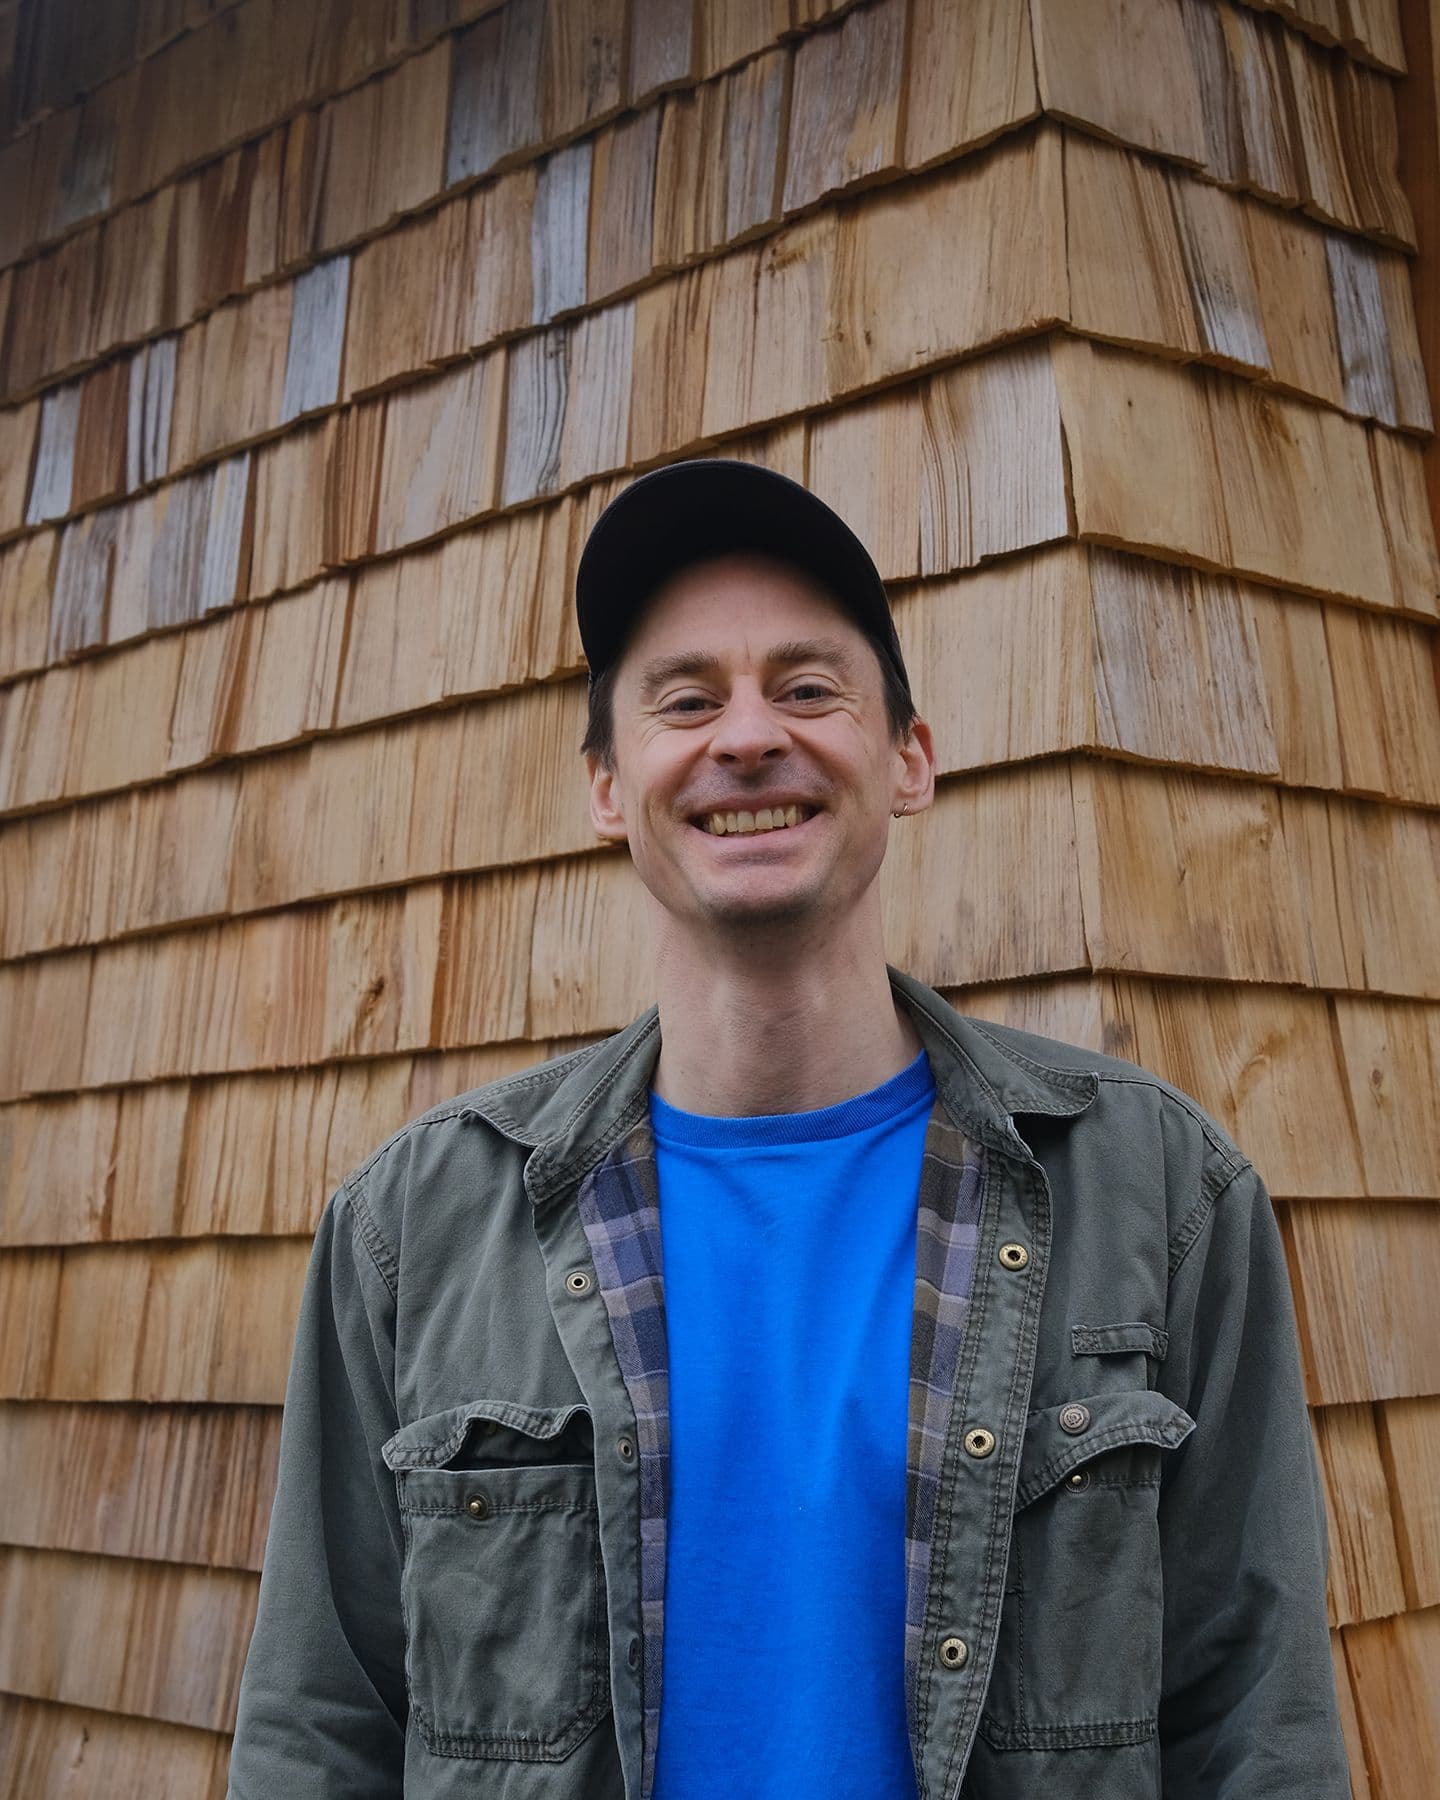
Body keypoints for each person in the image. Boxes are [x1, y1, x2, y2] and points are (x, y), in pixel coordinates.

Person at [227, 460, 1351, 1799]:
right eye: (686, 699)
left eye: (809, 689)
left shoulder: (1158, 1191)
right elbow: (318, 1731)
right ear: (607, 785)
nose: (749, 736)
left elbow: (1259, 1727)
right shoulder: (416, 1226)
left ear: (909, 759)